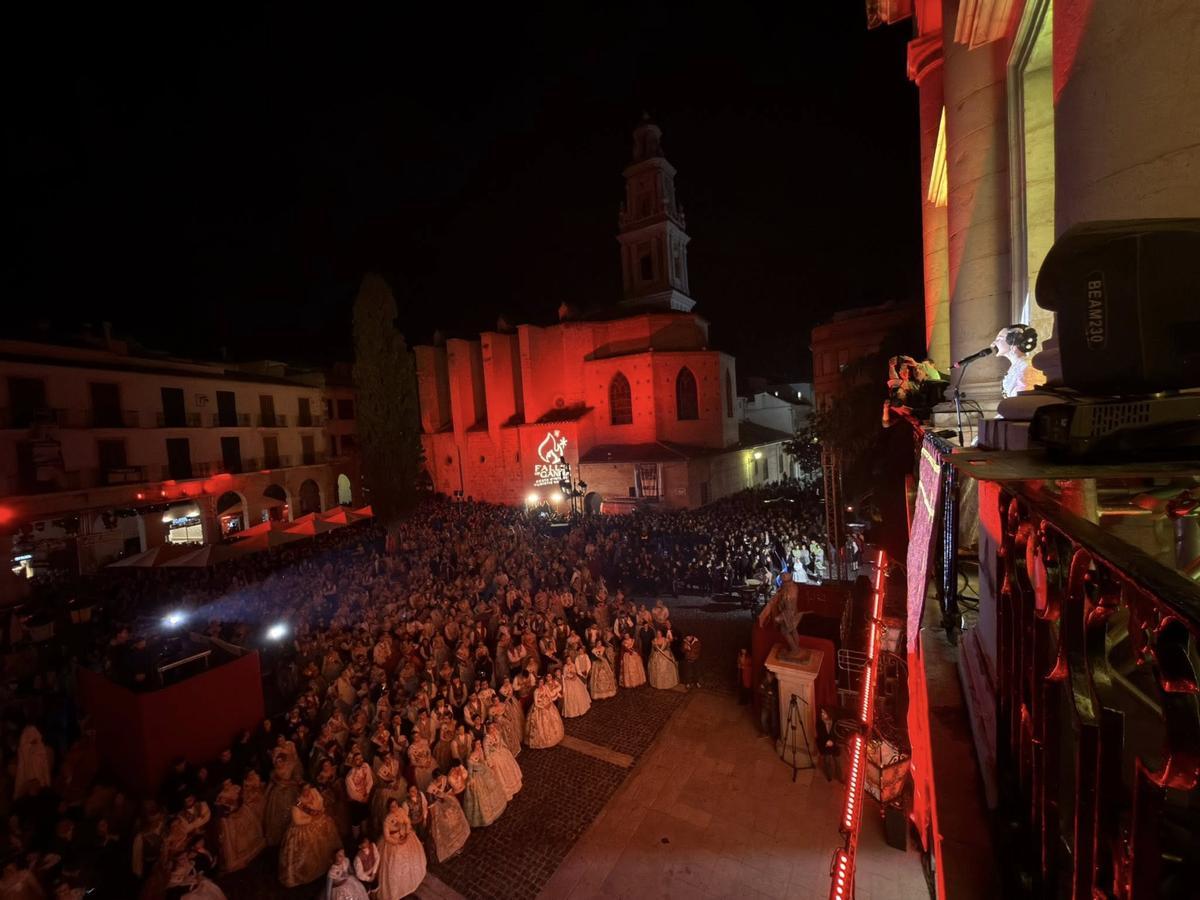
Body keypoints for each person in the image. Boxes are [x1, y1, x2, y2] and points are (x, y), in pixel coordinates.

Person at [278, 784, 342, 887]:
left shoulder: (313, 794)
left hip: (315, 823)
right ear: (301, 791)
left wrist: (318, 812)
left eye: (308, 789)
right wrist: (312, 819)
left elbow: (320, 805)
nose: (307, 791)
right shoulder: (297, 804)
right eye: (305, 790)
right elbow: (297, 821)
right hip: (302, 831)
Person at [375, 805, 427, 900]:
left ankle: (410, 882)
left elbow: (407, 822)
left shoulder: (401, 811)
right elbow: (387, 837)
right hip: (393, 842)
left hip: (405, 835)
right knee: (393, 864)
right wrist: (398, 842)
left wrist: (406, 833)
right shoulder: (387, 820)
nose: (394, 808)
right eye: (392, 807)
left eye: (395, 806)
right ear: (389, 809)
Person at [426, 775, 470, 863]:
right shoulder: (430, 789)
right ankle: (450, 849)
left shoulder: (444, 779)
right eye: (437, 778)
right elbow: (431, 802)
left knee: (456, 817)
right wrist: (438, 799)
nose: (439, 779)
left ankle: (459, 844)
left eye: (439, 777)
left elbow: (449, 791)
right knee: (445, 826)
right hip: (438, 808)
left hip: (448, 803)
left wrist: (445, 797)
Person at [462, 743, 507, 828]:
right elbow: (470, 772)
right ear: (474, 746)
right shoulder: (470, 759)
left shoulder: (479, 753)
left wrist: (487, 768)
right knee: (480, 796)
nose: (479, 746)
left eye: (480, 745)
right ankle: (486, 816)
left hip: (484, 773)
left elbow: (482, 762)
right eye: (477, 745)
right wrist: (471, 780)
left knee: (492, 788)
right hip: (477, 777)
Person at [525, 677, 565, 750]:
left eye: (542, 682)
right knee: (540, 725)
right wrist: (543, 706)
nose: (541, 684)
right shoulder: (536, 691)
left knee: (552, 721)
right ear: (538, 683)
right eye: (540, 682)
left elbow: (549, 696)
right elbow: (536, 703)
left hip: (547, 704)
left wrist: (549, 702)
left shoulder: (545, 687)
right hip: (539, 708)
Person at [816, 708, 841, 782]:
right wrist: (827, 742)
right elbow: (820, 735)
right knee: (827, 761)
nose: (822, 714)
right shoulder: (819, 723)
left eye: (824, 713)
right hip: (825, 744)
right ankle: (829, 776)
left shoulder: (836, 722)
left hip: (834, 743)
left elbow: (838, 733)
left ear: (829, 714)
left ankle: (839, 776)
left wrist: (832, 741)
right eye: (821, 713)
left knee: (837, 761)